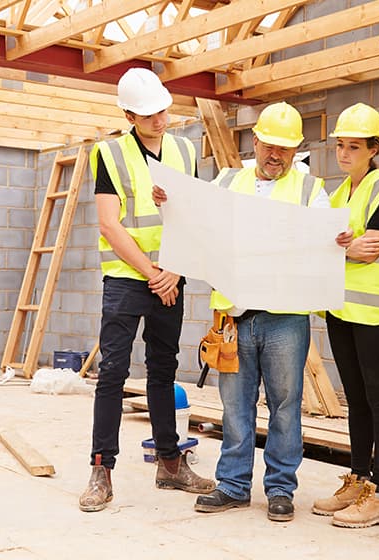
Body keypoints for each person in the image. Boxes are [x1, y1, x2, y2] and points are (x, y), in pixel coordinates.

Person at [158, 102, 329, 522]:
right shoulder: (227, 181)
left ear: (296, 151)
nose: (276, 156)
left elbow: (326, 240)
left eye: (286, 150)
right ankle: (233, 485)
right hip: (233, 316)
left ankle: (280, 490)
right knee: (235, 406)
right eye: (270, 146)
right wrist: (169, 205)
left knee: (285, 404)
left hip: (285, 317)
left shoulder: (311, 191)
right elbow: (196, 225)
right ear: (255, 142)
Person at [78, 68, 215, 513]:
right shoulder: (110, 154)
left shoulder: (183, 149)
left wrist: (172, 271)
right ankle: (102, 470)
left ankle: (170, 465)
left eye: (163, 109)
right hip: (127, 278)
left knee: (163, 370)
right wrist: (152, 271)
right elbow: (108, 223)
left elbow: (193, 215)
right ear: (129, 114)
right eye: (150, 113)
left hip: (169, 277)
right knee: (114, 373)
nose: (160, 118)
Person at [311, 103, 379, 528]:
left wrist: (337, 247)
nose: (345, 153)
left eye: (355, 146)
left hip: (375, 314)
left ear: (374, 149)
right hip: (341, 309)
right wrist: (339, 247)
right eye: (340, 145)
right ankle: (358, 479)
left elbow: (370, 249)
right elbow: (327, 247)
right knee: (355, 400)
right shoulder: (338, 194)